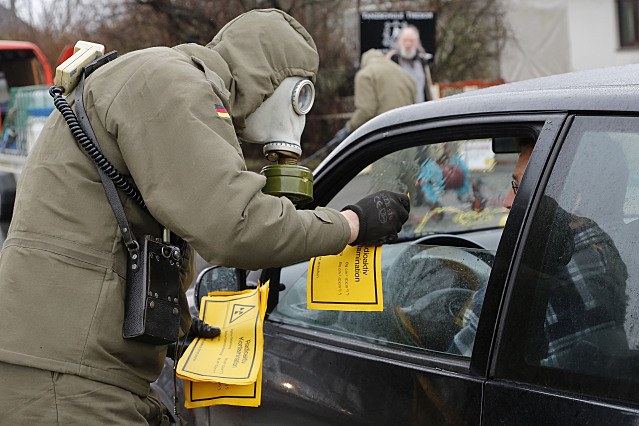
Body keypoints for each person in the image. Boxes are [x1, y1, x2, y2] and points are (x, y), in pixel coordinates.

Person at [0, 9, 409, 424]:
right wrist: (352, 224)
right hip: (67, 377)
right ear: (277, 81)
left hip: (66, 364)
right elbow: (238, 227)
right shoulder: (172, 84)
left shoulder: (154, 76)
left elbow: (119, 226)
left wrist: (176, 323)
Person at [449, 141, 628, 369]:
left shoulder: (513, 291)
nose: (506, 202)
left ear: (573, 199)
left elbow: (444, 386)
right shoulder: (614, 252)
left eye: (520, 189)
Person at [328, 48, 416, 146]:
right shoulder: (404, 73)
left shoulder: (365, 74)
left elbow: (366, 111)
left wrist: (348, 128)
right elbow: (413, 104)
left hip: (384, 135)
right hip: (408, 134)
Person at [386, 25, 435, 103]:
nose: (408, 44)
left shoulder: (422, 60)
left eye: (411, 40)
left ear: (417, 42)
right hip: (400, 108)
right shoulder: (393, 60)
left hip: (421, 108)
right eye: (405, 40)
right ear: (399, 42)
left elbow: (427, 88)